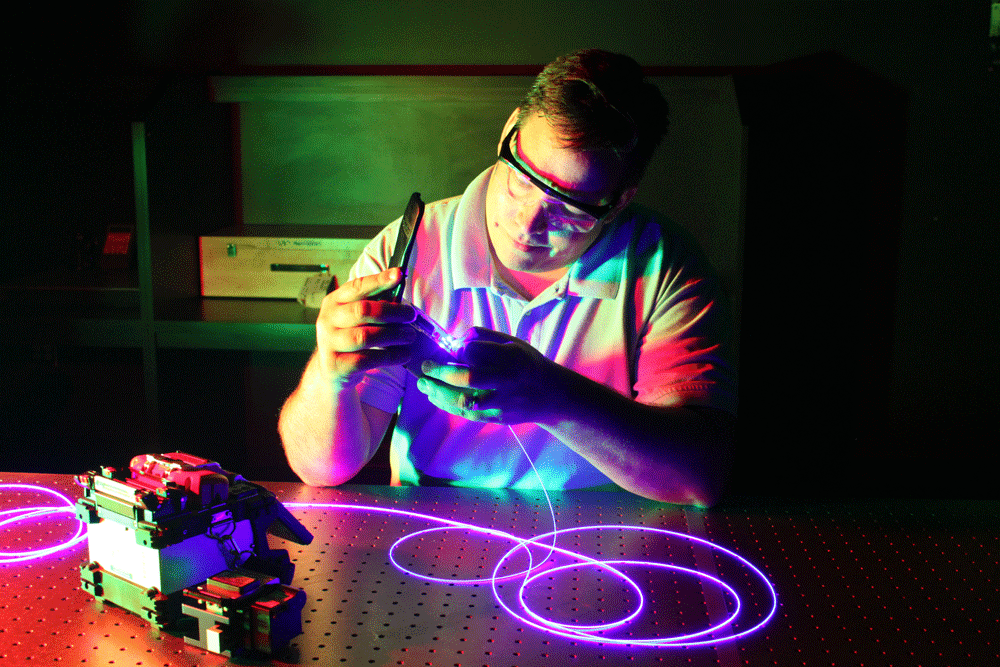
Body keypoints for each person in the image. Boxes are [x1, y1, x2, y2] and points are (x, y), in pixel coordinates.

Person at [278, 49, 737, 507]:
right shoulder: (412, 248)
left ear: (618, 201)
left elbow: (698, 478)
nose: (526, 222)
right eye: (522, 177)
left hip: (604, 539)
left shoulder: (663, 265)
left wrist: (556, 398)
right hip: (430, 532)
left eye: (570, 207)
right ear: (510, 129)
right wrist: (329, 373)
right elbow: (319, 469)